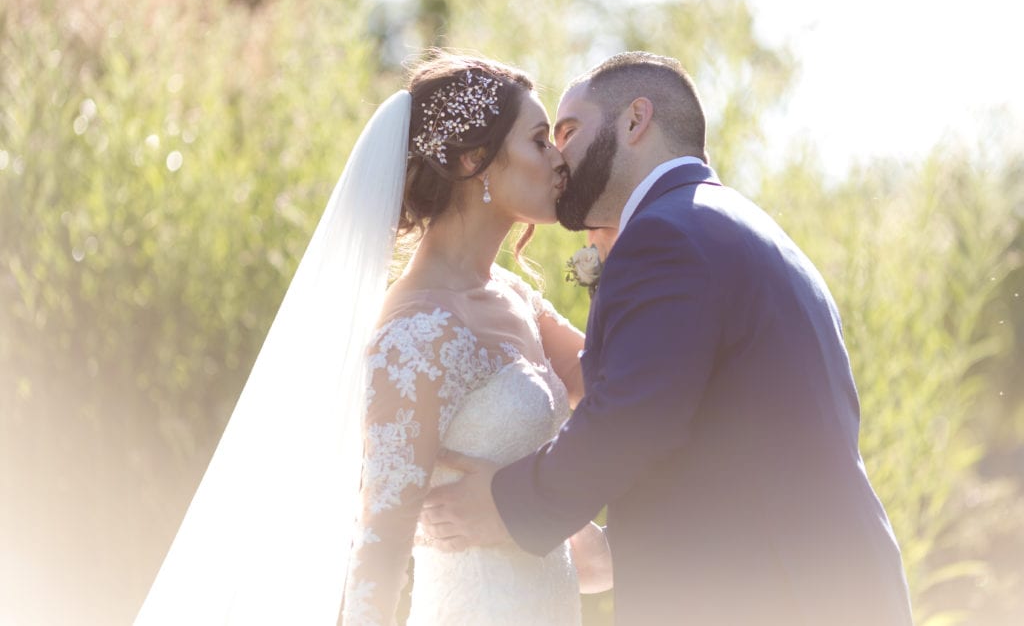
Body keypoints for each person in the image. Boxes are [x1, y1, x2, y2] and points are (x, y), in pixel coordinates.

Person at [420, 51, 916, 625]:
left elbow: (631, 419)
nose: (558, 159)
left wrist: (504, 505)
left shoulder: (667, 236)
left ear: (635, 121)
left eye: (569, 131)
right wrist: (615, 552)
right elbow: (714, 435)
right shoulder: (715, 220)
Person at [134, 51, 610, 626]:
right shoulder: (416, 334)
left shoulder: (517, 298)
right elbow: (379, 550)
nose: (561, 162)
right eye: (539, 140)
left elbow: (618, 388)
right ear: (474, 160)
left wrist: (617, 234)